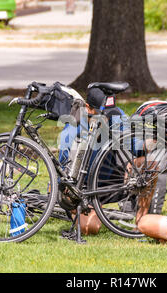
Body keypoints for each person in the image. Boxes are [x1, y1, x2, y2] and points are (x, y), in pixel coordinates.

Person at [58, 86, 128, 235]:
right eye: (102, 114)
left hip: (111, 184)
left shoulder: (118, 116)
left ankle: (134, 210)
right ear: (88, 109)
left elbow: (140, 150)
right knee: (89, 228)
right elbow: (64, 178)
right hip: (81, 189)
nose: (107, 118)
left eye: (109, 113)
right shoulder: (72, 131)